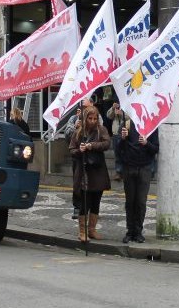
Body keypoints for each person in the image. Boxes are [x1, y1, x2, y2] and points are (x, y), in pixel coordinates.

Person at [68, 106, 111, 242]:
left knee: (96, 202)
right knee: (84, 203)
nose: (92, 121)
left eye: (95, 118)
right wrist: (80, 150)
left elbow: (106, 144)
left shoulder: (101, 130)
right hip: (84, 171)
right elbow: (71, 150)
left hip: (97, 170)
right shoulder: (79, 132)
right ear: (85, 118)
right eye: (90, 118)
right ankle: (82, 231)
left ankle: (92, 229)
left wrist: (92, 146)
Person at [118, 118, 159, 243]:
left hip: (144, 167)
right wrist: (122, 138)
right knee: (130, 201)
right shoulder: (126, 125)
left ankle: (138, 231)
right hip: (129, 167)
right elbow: (118, 148)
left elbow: (156, 148)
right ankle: (130, 231)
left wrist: (147, 143)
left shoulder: (151, 125)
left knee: (141, 201)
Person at [106, 101, 129, 182]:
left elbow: (132, 117)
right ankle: (118, 172)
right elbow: (109, 116)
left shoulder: (128, 104)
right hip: (116, 133)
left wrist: (122, 113)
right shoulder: (115, 106)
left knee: (125, 152)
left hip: (125, 133)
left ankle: (126, 171)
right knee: (117, 153)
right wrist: (113, 108)